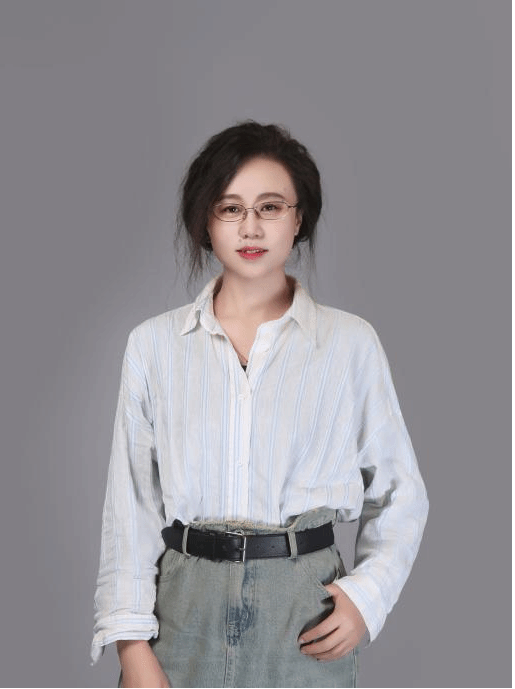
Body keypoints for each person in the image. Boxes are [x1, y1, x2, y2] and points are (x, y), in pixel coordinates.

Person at [91, 120, 429, 688]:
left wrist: (367, 597)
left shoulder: (350, 344)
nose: (250, 227)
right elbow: (130, 508)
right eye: (230, 209)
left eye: (270, 207)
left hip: (304, 612)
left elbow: (401, 493)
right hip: (182, 612)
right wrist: (131, 646)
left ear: (299, 218)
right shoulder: (153, 346)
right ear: (206, 221)